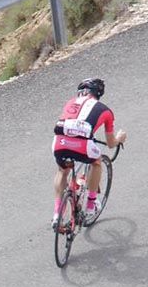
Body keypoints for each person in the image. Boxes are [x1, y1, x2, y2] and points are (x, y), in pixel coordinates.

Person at [51, 78, 127, 229]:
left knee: (63, 170)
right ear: (98, 94)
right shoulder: (105, 110)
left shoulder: (70, 102)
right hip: (82, 145)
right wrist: (119, 139)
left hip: (59, 142)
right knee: (96, 162)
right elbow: (111, 144)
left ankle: (56, 215)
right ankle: (91, 204)